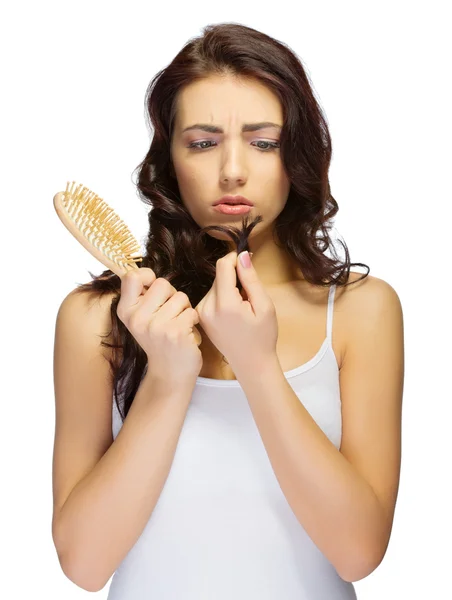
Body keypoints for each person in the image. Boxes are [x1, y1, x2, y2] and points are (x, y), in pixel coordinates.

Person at [51, 22, 404, 599]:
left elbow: (359, 553)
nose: (233, 169)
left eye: (263, 142)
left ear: (298, 156)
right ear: (167, 159)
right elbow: (85, 566)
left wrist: (257, 366)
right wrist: (166, 379)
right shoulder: (96, 320)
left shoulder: (363, 313)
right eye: (203, 142)